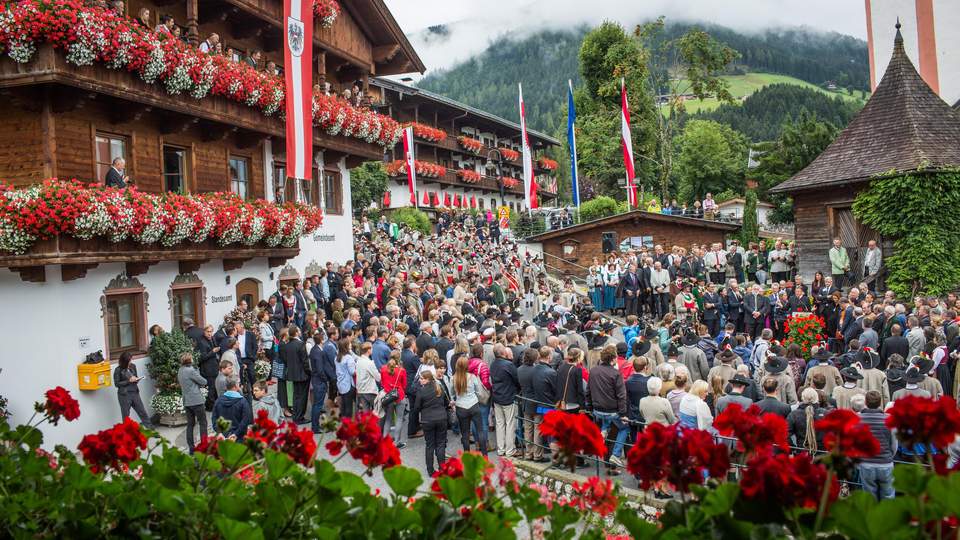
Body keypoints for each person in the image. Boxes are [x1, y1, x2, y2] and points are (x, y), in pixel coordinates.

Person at [587, 346, 629, 469]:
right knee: (625, 428)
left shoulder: (593, 371)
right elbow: (622, 396)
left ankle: (603, 433)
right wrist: (623, 414)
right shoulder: (616, 374)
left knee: (606, 420)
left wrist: (590, 407)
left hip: (597, 410)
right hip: (611, 411)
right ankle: (615, 454)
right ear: (612, 359)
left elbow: (588, 391)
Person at [858, 390, 897, 500]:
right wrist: (889, 456)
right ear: (880, 403)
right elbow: (894, 444)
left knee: (869, 498)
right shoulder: (889, 418)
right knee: (888, 495)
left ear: (865, 402)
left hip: (866, 463)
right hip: (886, 462)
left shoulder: (858, 419)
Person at [412, 370, 450, 476]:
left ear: (427, 379)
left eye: (422, 378)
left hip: (427, 420)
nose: (420, 380)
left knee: (430, 445)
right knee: (441, 444)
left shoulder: (421, 392)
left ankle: (430, 470)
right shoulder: (439, 387)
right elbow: (447, 403)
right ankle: (442, 469)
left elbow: (416, 408)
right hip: (441, 418)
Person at [452, 355, 487, 455]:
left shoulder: (453, 378)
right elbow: (478, 391)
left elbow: (452, 393)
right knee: (480, 431)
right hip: (474, 405)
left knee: (465, 434)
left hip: (461, 407)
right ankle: (485, 456)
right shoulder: (472, 377)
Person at [490, 344, 520, 457]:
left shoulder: (493, 364)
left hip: (497, 397)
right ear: (504, 353)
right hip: (508, 397)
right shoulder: (508, 365)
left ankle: (501, 449)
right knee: (510, 424)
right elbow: (517, 380)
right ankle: (510, 450)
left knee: (500, 424)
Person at [177, 352, 208, 453]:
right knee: (203, 423)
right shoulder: (191, 370)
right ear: (190, 360)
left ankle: (191, 448)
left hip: (187, 401)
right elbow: (204, 381)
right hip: (196, 400)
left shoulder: (180, 370)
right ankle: (204, 446)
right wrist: (197, 372)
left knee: (190, 424)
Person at [114, 351, 152, 427]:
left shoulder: (133, 366)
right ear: (124, 361)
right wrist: (128, 381)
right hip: (124, 395)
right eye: (129, 360)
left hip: (134, 392)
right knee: (126, 416)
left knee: (142, 411)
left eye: (131, 360)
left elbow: (135, 377)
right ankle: (127, 433)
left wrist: (137, 379)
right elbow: (117, 384)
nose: (131, 362)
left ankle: (151, 428)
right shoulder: (118, 370)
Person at [280, 326, 310, 424]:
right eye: (299, 330)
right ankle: (299, 417)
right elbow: (305, 361)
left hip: (292, 374)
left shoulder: (287, 344)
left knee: (296, 396)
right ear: (296, 332)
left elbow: (285, 359)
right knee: (302, 397)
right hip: (302, 375)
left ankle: (296, 416)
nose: (300, 331)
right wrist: (309, 372)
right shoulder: (300, 344)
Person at [380, 350, 409, 447]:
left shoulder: (383, 369)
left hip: (389, 397)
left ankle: (384, 440)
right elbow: (404, 385)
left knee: (388, 419)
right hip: (399, 396)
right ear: (399, 358)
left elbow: (382, 383)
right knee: (399, 419)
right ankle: (396, 442)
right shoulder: (402, 370)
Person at [196, 324, 221, 410]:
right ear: (204, 332)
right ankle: (210, 406)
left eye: (211, 331)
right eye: (208, 332)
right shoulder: (201, 342)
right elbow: (202, 357)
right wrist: (213, 351)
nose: (210, 333)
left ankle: (215, 404)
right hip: (207, 369)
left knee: (215, 387)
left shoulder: (212, 338)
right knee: (210, 388)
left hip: (214, 367)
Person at [355, 341, 381, 414]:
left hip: (361, 390)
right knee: (378, 412)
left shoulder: (358, 361)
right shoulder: (369, 363)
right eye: (371, 348)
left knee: (365, 414)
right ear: (368, 350)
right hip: (370, 391)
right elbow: (378, 378)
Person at [335, 338, 358, 418]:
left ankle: (344, 423)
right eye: (349, 344)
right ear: (346, 346)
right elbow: (352, 372)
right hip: (349, 384)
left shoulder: (337, 357)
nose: (351, 345)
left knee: (344, 405)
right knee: (349, 407)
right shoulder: (348, 357)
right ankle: (347, 425)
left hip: (341, 384)